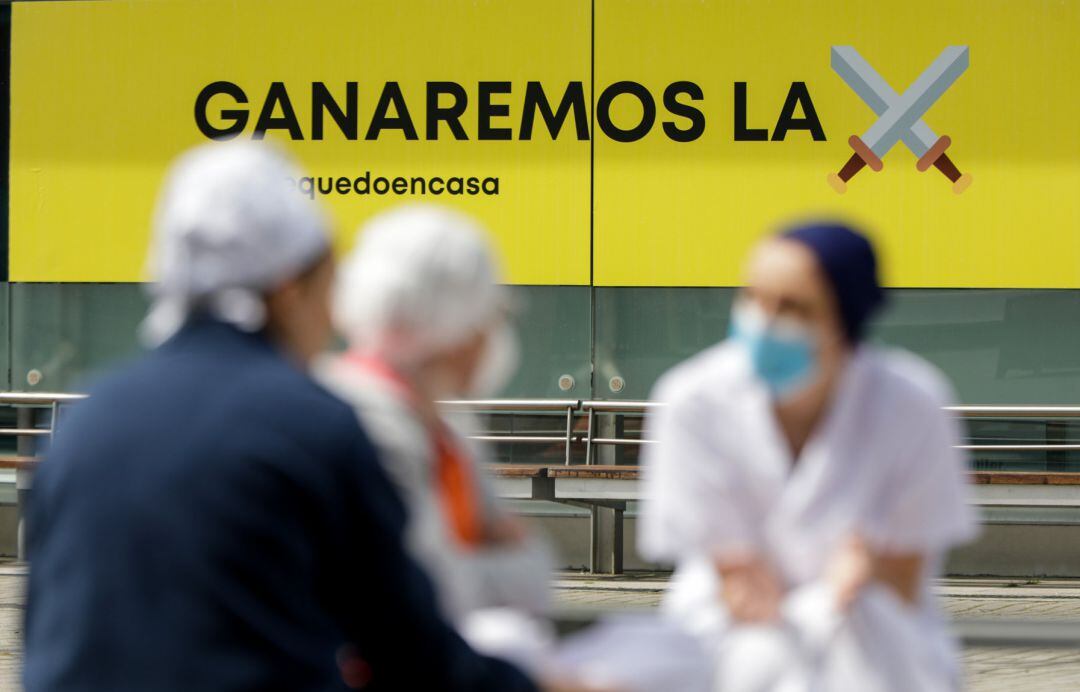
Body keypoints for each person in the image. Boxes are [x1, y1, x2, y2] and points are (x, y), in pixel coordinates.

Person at [22, 143, 570, 691]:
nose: (334, 314)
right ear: (289, 289)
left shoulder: (85, 422)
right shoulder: (313, 425)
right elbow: (406, 648)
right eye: (329, 283)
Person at [638, 222, 978, 691]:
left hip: (873, 636)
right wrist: (826, 596)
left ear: (844, 320)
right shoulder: (694, 401)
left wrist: (864, 577)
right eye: (753, 297)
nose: (764, 321)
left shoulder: (912, 404)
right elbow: (739, 584)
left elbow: (903, 575)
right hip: (727, 637)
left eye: (793, 307)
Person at [316, 205, 551, 625]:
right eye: (493, 314)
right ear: (459, 330)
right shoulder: (371, 428)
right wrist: (506, 562)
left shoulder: (447, 429)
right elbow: (424, 592)